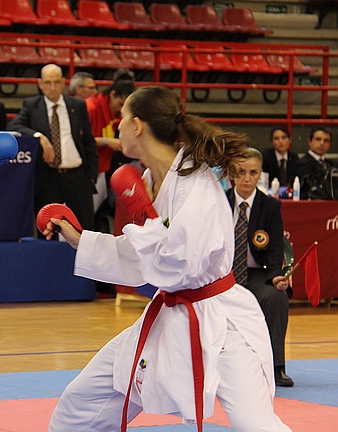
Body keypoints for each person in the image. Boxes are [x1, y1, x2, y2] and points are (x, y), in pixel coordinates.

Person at [42, 86, 291, 431]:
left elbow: (179, 264)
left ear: (139, 126)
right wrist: (81, 240)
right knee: (83, 402)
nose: (119, 124)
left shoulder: (197, 185)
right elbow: (140, 257)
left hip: (221, 321)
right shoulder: (150, 179)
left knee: (255, 424)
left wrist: (147, 219)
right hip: (169, 312)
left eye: (124, 118)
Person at [226, 147, 293, 387]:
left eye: (252, 172)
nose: (246, 178)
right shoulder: (219, 201)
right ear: (231, 174)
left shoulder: (270, 206)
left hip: (256, 273)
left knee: (276, 296)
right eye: (240, 172)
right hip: (222, 276)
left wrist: (276, 276)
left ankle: (276, 367)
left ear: (260, 174)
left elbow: (275, 247)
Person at [9, 63, 98, 232]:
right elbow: (14, 125)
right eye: (48, 82)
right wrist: (38, 136)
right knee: (47, 228)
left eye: (56, 82)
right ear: (40, 83)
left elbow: (88, 141)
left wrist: (91, 177)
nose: (52, 87)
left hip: (77, 175)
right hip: (48, 176)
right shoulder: (31, 105)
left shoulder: (77, 106)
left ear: (64, 82)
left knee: (85, 228)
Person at [87, 71, 136, 227]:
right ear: (112, 94)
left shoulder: (118, 114)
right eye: (120, 104)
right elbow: (78, 140)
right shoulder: (91, 107)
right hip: (87, 168)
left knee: (96, 212)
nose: (121, 110)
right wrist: (107, 142)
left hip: (104, 168)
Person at [290, 126, 337, 199]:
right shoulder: (301, 164)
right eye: (318, 139)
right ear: (310, 141)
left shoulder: (333, 164)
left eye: (326, 141)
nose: (322, 143)